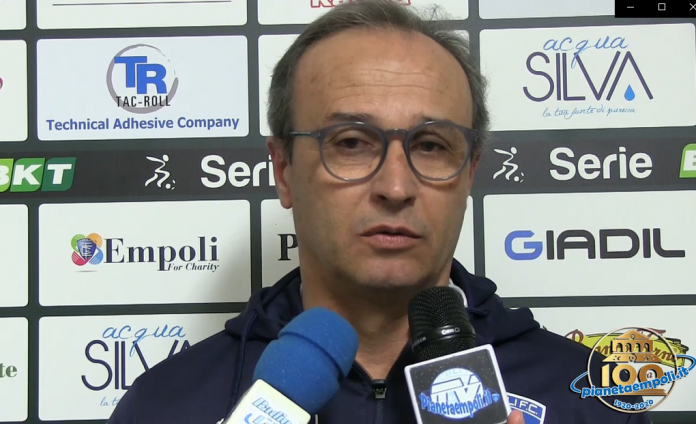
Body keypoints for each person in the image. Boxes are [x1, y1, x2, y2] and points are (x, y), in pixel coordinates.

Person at [107, 1, 652, 423]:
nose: (395, 186)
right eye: (351, 143)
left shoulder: (593, 399)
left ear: (470, 173)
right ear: (284, 170)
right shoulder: (167, 404)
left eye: (431, 146)